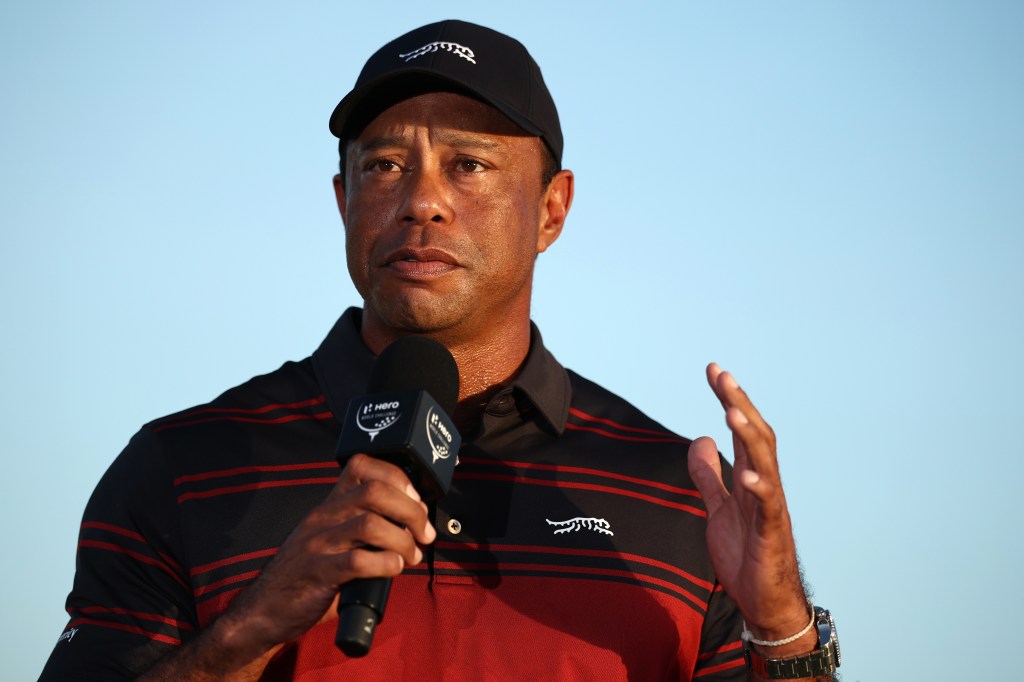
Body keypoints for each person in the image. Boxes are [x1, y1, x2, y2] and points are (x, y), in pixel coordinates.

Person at [40, 20, 839, 681]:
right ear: (344, 200)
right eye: (385, 165)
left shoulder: (682, 498)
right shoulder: (183, 466)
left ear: (552, 210)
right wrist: (251, 627)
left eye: (469, 165)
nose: (422, 201)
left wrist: (780, 625)